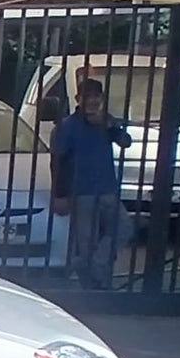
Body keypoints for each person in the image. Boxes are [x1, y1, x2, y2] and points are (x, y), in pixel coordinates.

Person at [50, 75, 132, 289]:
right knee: (86, 242)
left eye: (96, 96)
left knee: (124, 228)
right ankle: (95, 285)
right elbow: (57, 161)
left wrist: (110, 125)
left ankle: (93, 266)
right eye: (87, 96)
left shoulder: (105, 123)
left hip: (107, 189)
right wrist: (59, 195)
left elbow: (126, 142)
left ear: (101, 98)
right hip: (81, 192)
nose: (92, 101)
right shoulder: (67, 126)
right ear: (78, 98)